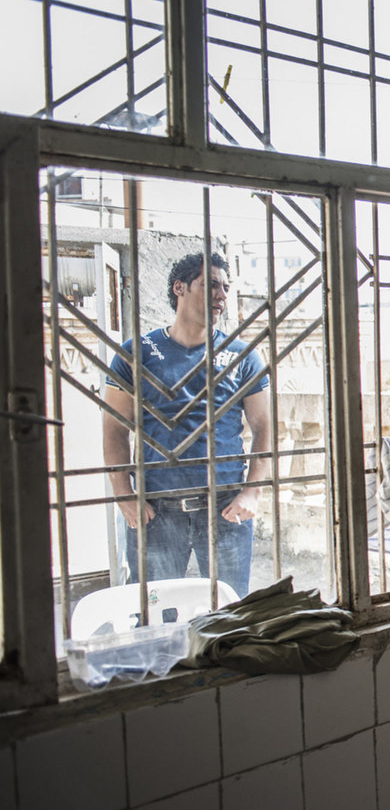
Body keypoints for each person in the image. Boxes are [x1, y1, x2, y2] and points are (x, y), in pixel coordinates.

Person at [102, 251, 271, 599]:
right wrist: (123, 495)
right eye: (210, 285)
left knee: (230, 614)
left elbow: (264, 426)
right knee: (156, 616)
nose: (221, 295)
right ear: (179, 288)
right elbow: (115, 429)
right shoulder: (138, 352)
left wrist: (253, 490)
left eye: (225, 287)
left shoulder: (242, 355)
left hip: (225, 508)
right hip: (157, 510)